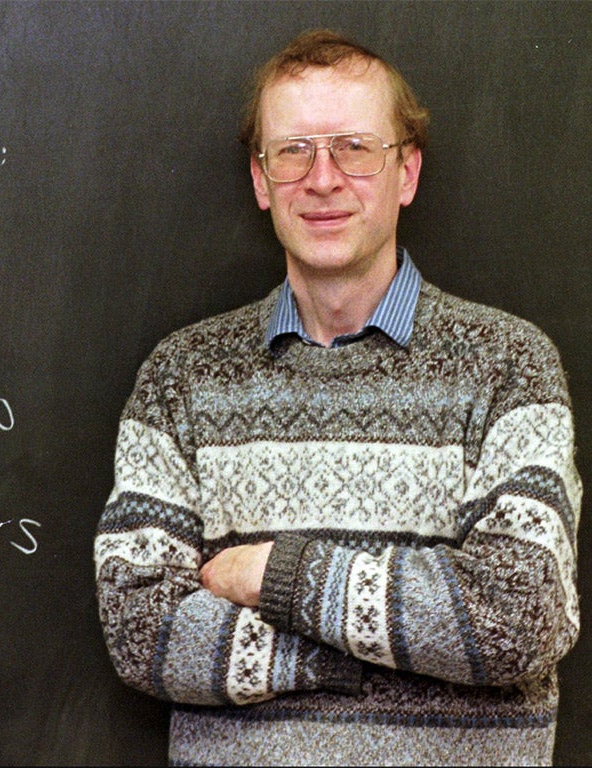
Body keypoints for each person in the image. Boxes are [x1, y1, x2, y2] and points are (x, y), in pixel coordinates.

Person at [94, 28, 580, 766]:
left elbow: (517, 619)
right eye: (291, 151)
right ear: (260, 181)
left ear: (406, 173)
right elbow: (142, 634)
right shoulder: (182, 377)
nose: (321, 179)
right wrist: (393, 652)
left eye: (355, 147)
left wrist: (272, 577)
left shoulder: (508, 365)